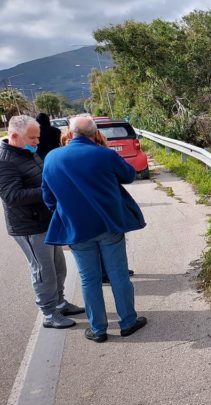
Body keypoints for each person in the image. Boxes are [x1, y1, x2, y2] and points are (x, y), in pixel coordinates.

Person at [41, 115, 147, 343]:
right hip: (108, 224)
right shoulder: (105, 155)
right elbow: (129, 176)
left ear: (69, 133)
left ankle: (98, 329)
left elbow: (48, 197)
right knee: (118, 274)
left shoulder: (52, 158)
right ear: (95, 133)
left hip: (76, 228)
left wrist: (65, 211)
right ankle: (128, 321)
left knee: (89, 279)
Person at [0, 115, 84, 329]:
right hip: (28, 226)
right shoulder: (5, 161)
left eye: (37, 137)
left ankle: (60, 302)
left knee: (58, 267)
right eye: (33, 138)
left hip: (46, 221)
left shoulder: (28, 152)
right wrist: (49, 190)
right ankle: (49, 313)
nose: (37, 142)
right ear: (15, 136)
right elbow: (12, 196)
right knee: (42, 271)